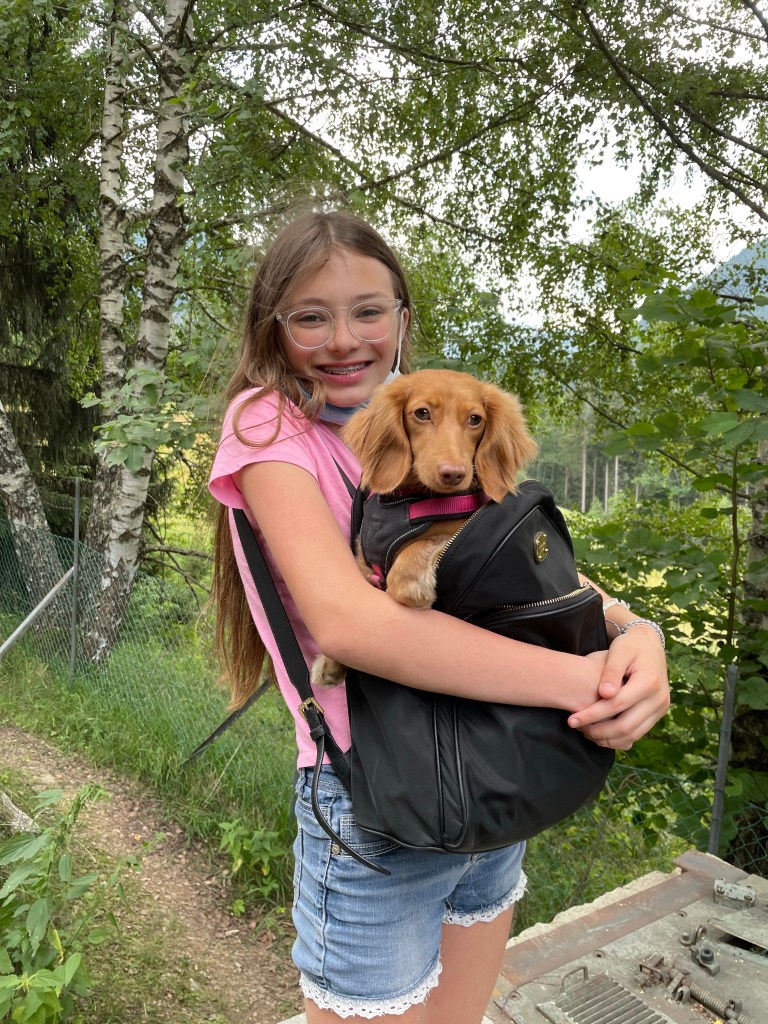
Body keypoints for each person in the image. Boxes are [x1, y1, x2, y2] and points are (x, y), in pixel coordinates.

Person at [209, 210, 670, 1024]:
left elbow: (522, 560)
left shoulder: (446, 420)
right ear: (274, 327)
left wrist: (634, 632)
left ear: (401, 317)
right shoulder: (268, 426)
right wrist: (587, 682)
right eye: (311, 316)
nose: (343, 339)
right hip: (376, 796)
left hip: (493, 767)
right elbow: (352, 627)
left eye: (368, 311)